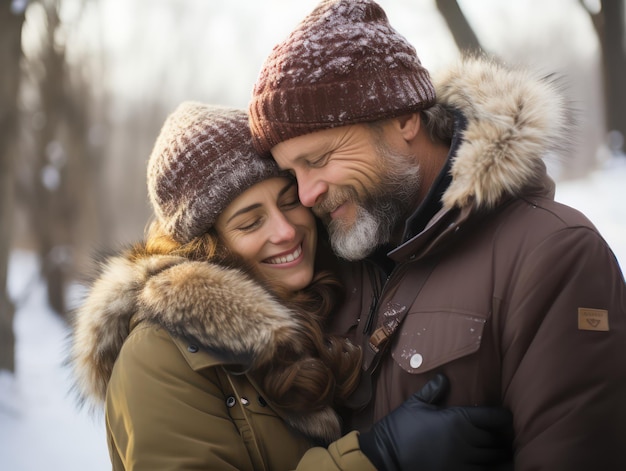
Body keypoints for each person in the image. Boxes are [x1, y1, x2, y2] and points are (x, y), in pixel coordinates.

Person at [248, 0, 626, 469]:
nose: (306, 195)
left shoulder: (552, 254)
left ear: (404, 118)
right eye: (292, 172)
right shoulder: (330, 263)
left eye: (320, 159)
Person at [69, 102, 513, 471]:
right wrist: (377, 458)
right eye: (250, 222)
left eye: (288, 202)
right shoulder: (157, 357)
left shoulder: (329, 294)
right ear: (208, 248)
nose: (284, 231)